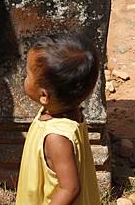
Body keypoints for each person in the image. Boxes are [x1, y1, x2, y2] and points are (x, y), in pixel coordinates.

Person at [16, 33, 101, 205]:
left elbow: (70, 188)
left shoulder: (57, 137)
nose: (24, 78)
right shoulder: (69, 109)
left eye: (28, 75)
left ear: (44, 95)